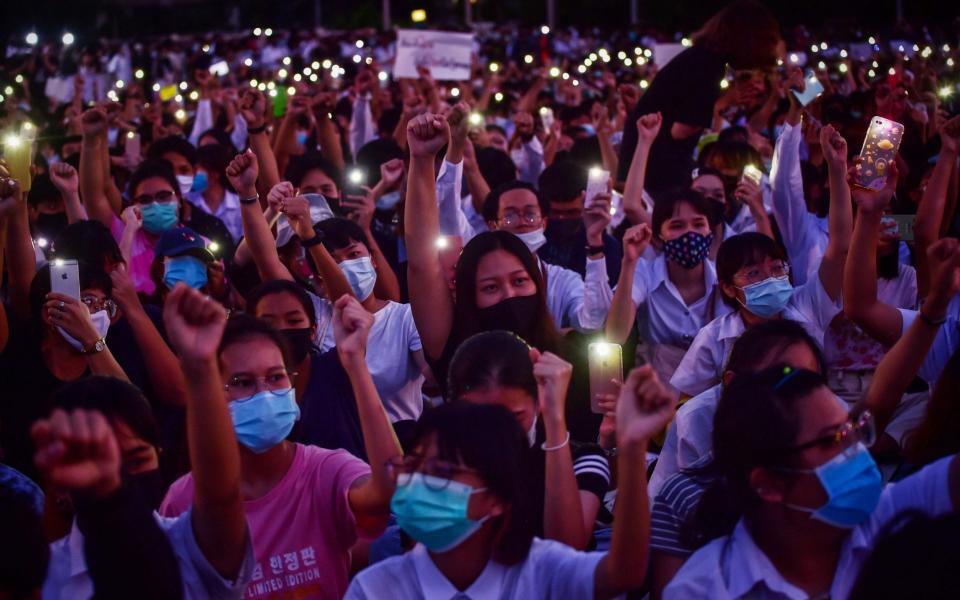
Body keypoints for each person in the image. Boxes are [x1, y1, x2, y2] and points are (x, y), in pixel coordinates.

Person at [345, 363, 675, 599]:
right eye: (413, 466)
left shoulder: (541, 569)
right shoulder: (373, 589)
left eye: (443, 473)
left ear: (498, 497)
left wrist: (632, 448)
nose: (419, 483)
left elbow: (625, 574)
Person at [160, 294, 402, 600]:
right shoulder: (183, 500)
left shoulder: (325, 471)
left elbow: (390, 490)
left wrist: (355, 362)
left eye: (276, 377)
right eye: (243, 382)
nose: (264, 392)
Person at [663, 364, 960, 599]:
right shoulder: (704, 591)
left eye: (852, 431)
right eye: (833, 441)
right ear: (769, 483)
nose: (856, 451)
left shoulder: (886, 519)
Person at [40, 284, 255, 598]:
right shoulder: (41, 579)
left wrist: (202, 369)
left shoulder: (191, 549)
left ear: (159, 455)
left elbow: (221, 495)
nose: (117, 483)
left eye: (136, 460)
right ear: (60, 484)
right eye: (97, 466)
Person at [229, 150, 426, 424]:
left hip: (398, 448)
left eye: (353, 255)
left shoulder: (405, 318)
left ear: (374, 260)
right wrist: (249, 195)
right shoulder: (314, 315)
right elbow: (265, 256)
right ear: (319, 279)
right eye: (332, 261)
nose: (345, 265)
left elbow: (438, 374)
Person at [669, 132, 853, 398]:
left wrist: (837, 169)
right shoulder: (714, 338)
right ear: (729, 288)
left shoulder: (808, 305)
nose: (770, 278)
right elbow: (684, 397)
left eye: (777, 268)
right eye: (754, 273)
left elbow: (840, 248)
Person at [434, 104, 613, 332]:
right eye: (509, 216)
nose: (520, 221)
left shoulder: (562, 280)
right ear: (493, 225)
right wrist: (455, 149)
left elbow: (592, 322)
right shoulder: (475, 257)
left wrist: (596, 240)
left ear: (544, 222)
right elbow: (447, 208)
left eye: (530, 214)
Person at [448, 331, 610, 550]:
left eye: (514, 417)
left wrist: (555, 417)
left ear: (537, 405)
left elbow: (566, 547)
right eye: (481, 416)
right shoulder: (439, 462)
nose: (498, 429)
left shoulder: (582, 459)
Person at [617, 0, 782, 195]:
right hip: (656, 173)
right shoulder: (709, 67)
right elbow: (679, 131)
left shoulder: (698, 57)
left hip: (641, 166)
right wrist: (727, 101)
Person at [605, 190, 731, 386]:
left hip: (709, 394)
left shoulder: (725, 281)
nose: (690, 233)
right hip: (654, 390)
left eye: (699, 224)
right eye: (677, 226)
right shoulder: (644, 273)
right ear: (658, 237)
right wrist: (629, 262)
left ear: (710, 232)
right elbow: (615, 335)